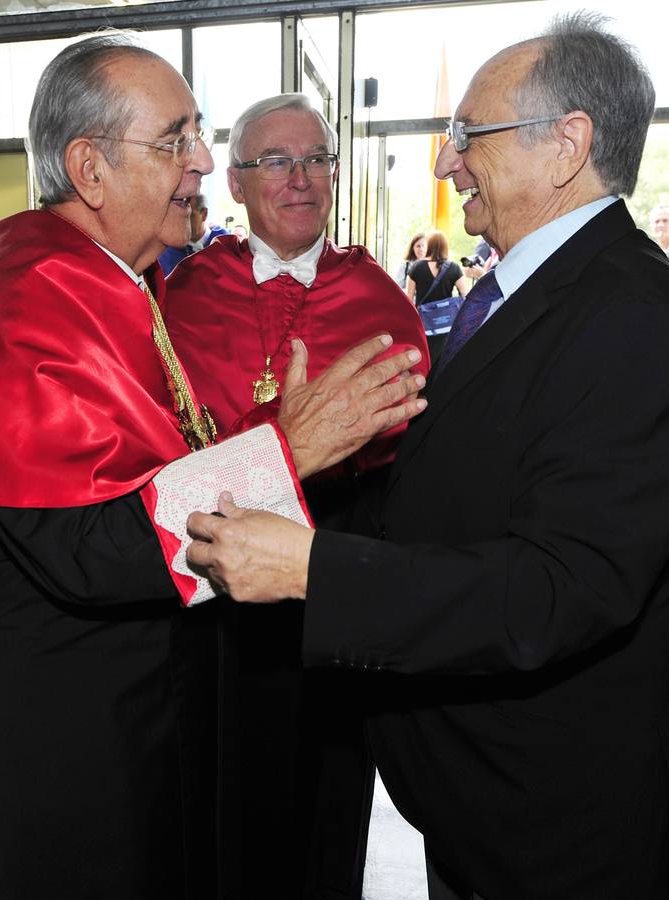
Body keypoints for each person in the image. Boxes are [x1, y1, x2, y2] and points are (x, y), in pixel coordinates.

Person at [0, 35, 426, 898]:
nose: (203, 161)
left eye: (198, 135)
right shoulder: (33, 309)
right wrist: (290, 450)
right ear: (89, 168)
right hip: (68, 748)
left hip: (123, 714)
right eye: (175, 139)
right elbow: (94, 547)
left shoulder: (107, 284)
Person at [188, 13, 669, 900]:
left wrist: (319, 567)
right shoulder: (529, 292)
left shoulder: (637, 318)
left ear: (566, 147)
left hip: (564, 827)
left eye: (470, 135)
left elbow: (560, 589)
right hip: (490, 798)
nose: (444, 161)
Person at [163, 92, 430, 899]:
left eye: (315, 159)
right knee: (216, 787)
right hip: (209, 580)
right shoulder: (182, 296)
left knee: (326, 791)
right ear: (237, 184)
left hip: (330, 570)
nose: (300, 178)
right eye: (275, 161)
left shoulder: (379, 296)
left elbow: (405, 441)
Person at [158, 191, 228, 274]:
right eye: (180, 215)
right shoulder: (167, 252)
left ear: (204, 214)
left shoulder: (225, 245)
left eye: (189, 215)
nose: (182, 222)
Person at [406, 230, 470, 304]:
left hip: (422, 315)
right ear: (445, 246)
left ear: (428, 245)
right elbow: (465, 295)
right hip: (446, 314)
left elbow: (409, 299)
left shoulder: (416, 267)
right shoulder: (454, 268)